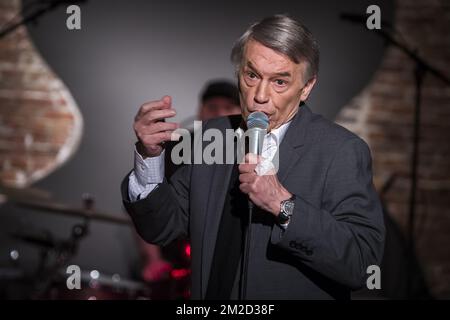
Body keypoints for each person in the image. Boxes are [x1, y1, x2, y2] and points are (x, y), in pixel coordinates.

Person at [122, 14, 385, 300]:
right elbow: (161, 228)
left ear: (306, 88)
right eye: (252, 75)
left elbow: (362, 263)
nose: (260, 95)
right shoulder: (213, 135)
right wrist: (149, 157)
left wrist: (283, 205)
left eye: (280, 82)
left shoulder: (340, 150)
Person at [138, 80, 240, 284]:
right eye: (213, 107)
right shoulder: (176, 146)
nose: (220, 114)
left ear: (241, 112)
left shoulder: (252, 151)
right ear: (200, 111)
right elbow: (146, 204)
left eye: (228, 108)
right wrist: (153, 259)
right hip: (174, 266)